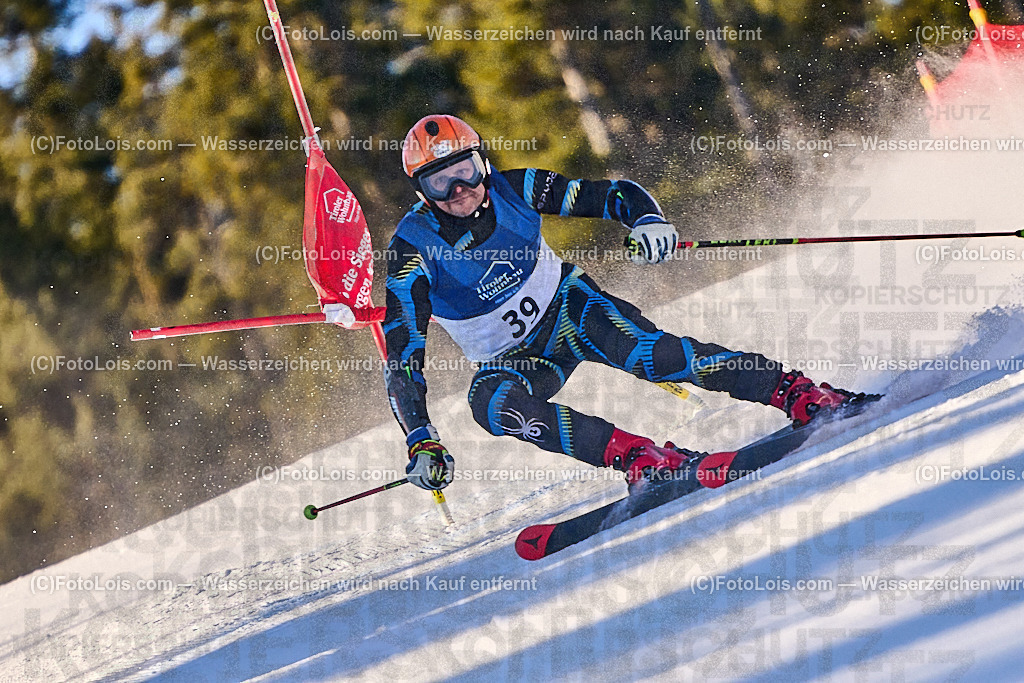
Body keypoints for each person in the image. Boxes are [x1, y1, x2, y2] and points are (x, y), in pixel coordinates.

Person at [383, 114, 863, 492]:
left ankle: (795, 392)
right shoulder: (413, 249)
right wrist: (420, 437)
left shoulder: (517, 188)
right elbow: (403, 355)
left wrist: (647, 220)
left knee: (649, 354)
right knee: (489, 404)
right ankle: (639, 456)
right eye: (439, 182)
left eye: (464, 172)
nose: (459, 191)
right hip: (517, 360)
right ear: (421, 191)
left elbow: (611, 194)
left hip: (571, 310)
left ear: (481, 163)